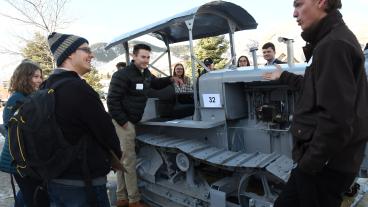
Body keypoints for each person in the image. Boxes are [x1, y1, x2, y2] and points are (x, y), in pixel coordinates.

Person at [263, 0, 368, 206]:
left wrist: (310, 163)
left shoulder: (332, 45)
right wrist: (284, 76)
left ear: (321, 2)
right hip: (322, 161)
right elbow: (317, 89)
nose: (295, 13)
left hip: (324, 166)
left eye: (299, 4)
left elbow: (336, 120)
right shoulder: (329, 41)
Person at [45, 32, 122, 206]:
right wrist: (117, 155)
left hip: (56, 180)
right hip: (84, 184)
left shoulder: (47, 86)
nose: (92, 55)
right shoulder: (78, 88)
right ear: (70, 54)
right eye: (86, 50)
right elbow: (105, 130)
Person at [107, 43, 182, 207]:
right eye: (143, 57)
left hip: (130, 120)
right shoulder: (122, 75)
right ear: (134, 56)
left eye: (148, 57)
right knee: (130, 160)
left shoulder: (145, 73)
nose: (146, 60)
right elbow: (112, 101)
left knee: (123, 160)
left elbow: (155, 84)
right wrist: (124, 122)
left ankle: (121, 197)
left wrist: (170, 79)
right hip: (123, 122)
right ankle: (133, 201)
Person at [0, 60, 48, 207]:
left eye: (40, 76)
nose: (39, 80)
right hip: (19, 160)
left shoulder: (28, 96)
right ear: (24, 78)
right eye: (35, 77)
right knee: (33, 198)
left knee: (28, 195)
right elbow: (13, 128)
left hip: (24, 158)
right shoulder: (18, 99)